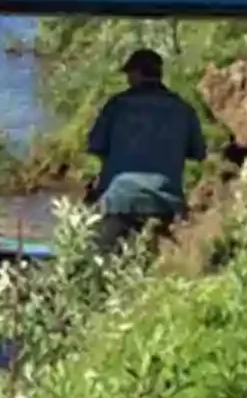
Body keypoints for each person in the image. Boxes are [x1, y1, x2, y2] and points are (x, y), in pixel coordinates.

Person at [84, 47, 207, 254]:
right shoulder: (183, 108)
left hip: (119, 200)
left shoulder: (116, 106)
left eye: (129, 75)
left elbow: (95, 145)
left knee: (100, 262)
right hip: (166, 201)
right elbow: (198, 153)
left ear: (137, 74)